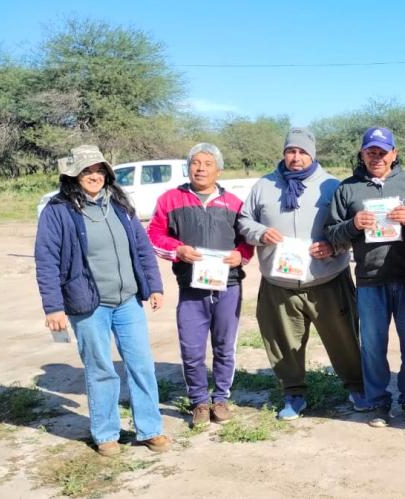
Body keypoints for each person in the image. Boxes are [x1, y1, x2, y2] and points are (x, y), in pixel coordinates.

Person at [35, 145, 171, 456]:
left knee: (141, 365)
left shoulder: (120, 204)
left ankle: (150, 429)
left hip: (127, 301)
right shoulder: (58, 210)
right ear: (73, 175)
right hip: (88, 305)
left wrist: (153, 286)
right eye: (86, 170)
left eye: (98, 170)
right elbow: (46, 260)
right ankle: (106, 433)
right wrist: (53, 306)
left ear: (107, 174)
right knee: (100, 369)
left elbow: (142, 248)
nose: (93, 175)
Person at [237, 127, 369, 420]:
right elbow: (244, 222)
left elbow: (348, 227)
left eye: (302, 152)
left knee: (344, 339)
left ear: (312, 154)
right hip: (279, 283)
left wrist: (333, 247)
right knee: (283, 342)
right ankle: (293, 394)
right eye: (291, 151)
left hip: (327, 280)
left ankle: (357, 387)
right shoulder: (263, 186)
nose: (296, 158)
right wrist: (260, 233)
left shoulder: (332, 186)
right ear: (284, 153)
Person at [325, 126, 405, 427]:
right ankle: (378, 401)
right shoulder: (347, 189)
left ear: (394, 154)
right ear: (362, 154)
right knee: (372, 344)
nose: (377, 157)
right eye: (371, 151)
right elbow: (331, 232)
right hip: (370, 278)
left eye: (383, 152)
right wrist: (353, 224)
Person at [148, 143, 254, 427]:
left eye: (208, 163)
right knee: (192, 348)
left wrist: (240, 256)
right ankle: (198, 402)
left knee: (224, 346)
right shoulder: (171, 200)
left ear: (218, 170)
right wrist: (177, 250)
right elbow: (154, 234)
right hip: (191, 289)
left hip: (228, 287)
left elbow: (246, 240)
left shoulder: (234, 204)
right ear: (188, 167)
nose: (201, 168)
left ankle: (220, 399)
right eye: (196, 162)